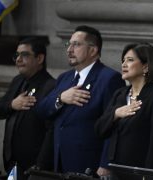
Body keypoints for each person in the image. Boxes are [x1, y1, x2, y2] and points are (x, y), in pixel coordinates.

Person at [37, 25, 126, 175]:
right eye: (68, 44)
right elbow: (41, 110)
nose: (69, 50)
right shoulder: (64, 78)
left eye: (76, 44)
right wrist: (61, 98)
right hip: (59, 161)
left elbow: (113, 124)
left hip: (89, 163)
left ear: (93, 50)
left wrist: (106, 164)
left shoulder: (109, 78)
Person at [95, 43, 153, 172]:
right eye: (123, 60)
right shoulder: (120, 94)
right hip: (114, 169)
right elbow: (99, 129)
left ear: (145, 67)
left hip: (138, 171)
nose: (124, 64)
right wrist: (116, 114)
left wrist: (148, 174)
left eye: (130, 60)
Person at [0, 37, 56, 179]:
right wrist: (12, 104)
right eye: (16, 55)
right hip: (11, 164)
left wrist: (39, 167)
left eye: (24, 55)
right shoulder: (18, 81)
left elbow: (51, 131)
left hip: (33, 168)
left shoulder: (49, 86)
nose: (18, 59)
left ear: (40, 58)